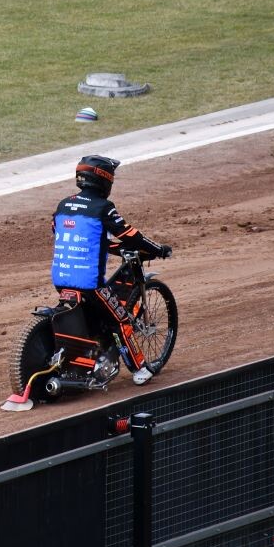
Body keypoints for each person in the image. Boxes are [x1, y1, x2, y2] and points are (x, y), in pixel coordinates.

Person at [51, 155, 172, 385]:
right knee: (121, 319)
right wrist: (158, 249)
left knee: (94, 315)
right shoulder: (103, 208)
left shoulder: (63, 205)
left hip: (60, 280)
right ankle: (139, 369)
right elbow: (131, 235)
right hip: (90, 285)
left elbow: (79, 237)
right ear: (104, 180)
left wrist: (114, 247)